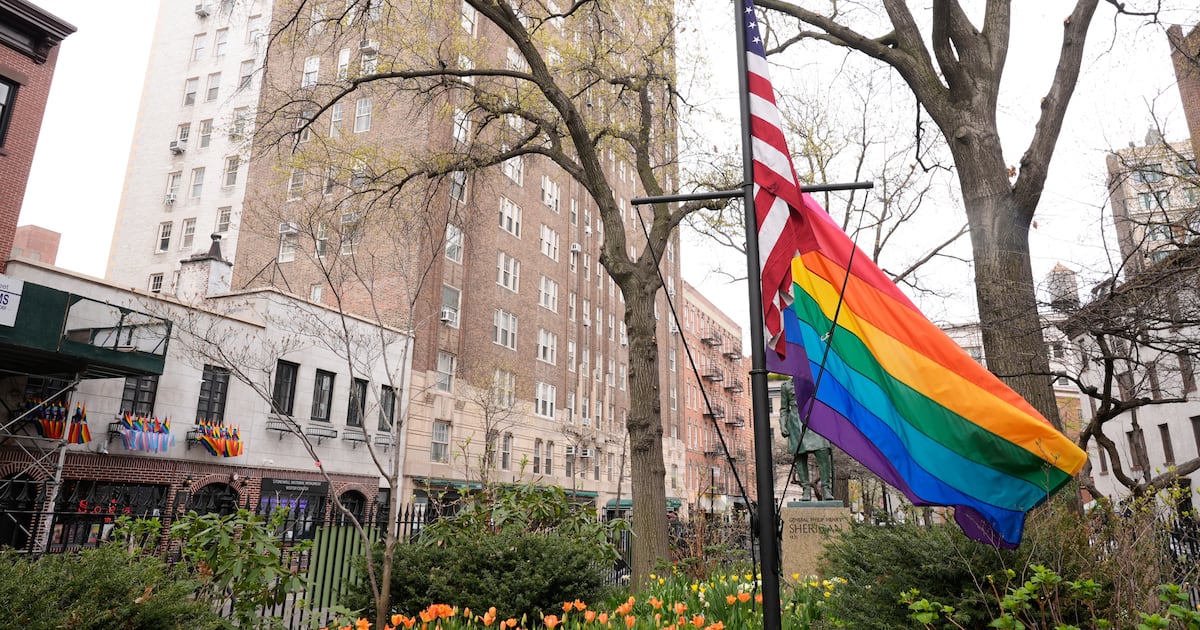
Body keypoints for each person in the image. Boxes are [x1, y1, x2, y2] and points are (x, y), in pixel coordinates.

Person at [778, 378, 833, 501]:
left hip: (815, 420)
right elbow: (784, 409)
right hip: (796, 423)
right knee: (800, 457)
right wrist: (783, 425)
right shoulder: (786, 386)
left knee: (823, 451)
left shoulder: (816, 380)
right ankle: (806, 489)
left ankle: (825, 487)